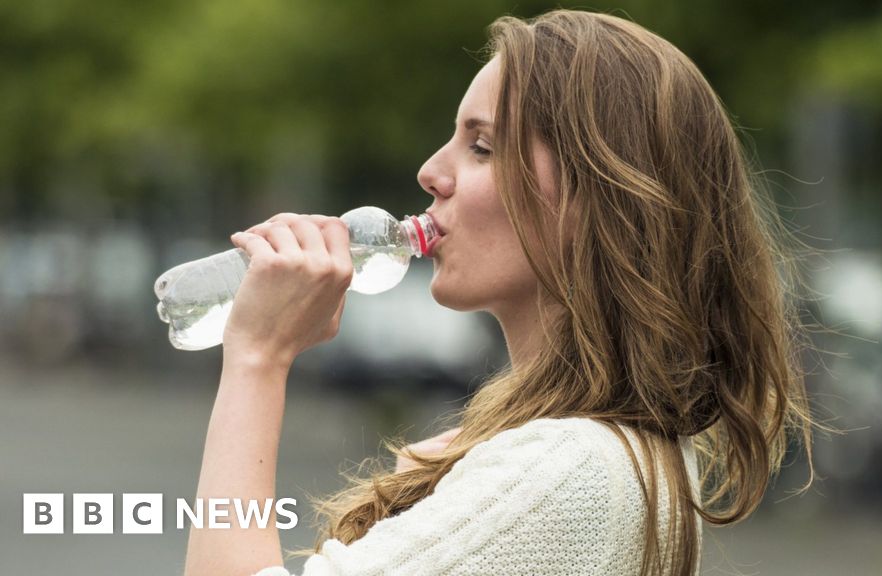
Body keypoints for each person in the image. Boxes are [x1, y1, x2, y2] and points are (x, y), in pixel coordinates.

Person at [182, 9, 819, 576]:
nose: (431, 172)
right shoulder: (608, 456)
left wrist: (256, 361)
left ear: (598, 200)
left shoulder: (565, 471)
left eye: (481, 146)